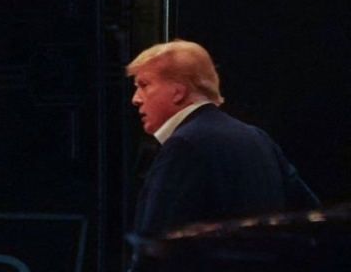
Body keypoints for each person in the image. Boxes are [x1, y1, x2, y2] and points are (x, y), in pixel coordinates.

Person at [127, 39, 319, 235]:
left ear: (178, 91)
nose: (135, 99)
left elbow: (156, 243)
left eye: (144, 85)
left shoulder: (184, 145)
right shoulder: (257, 137)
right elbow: (309, 212)